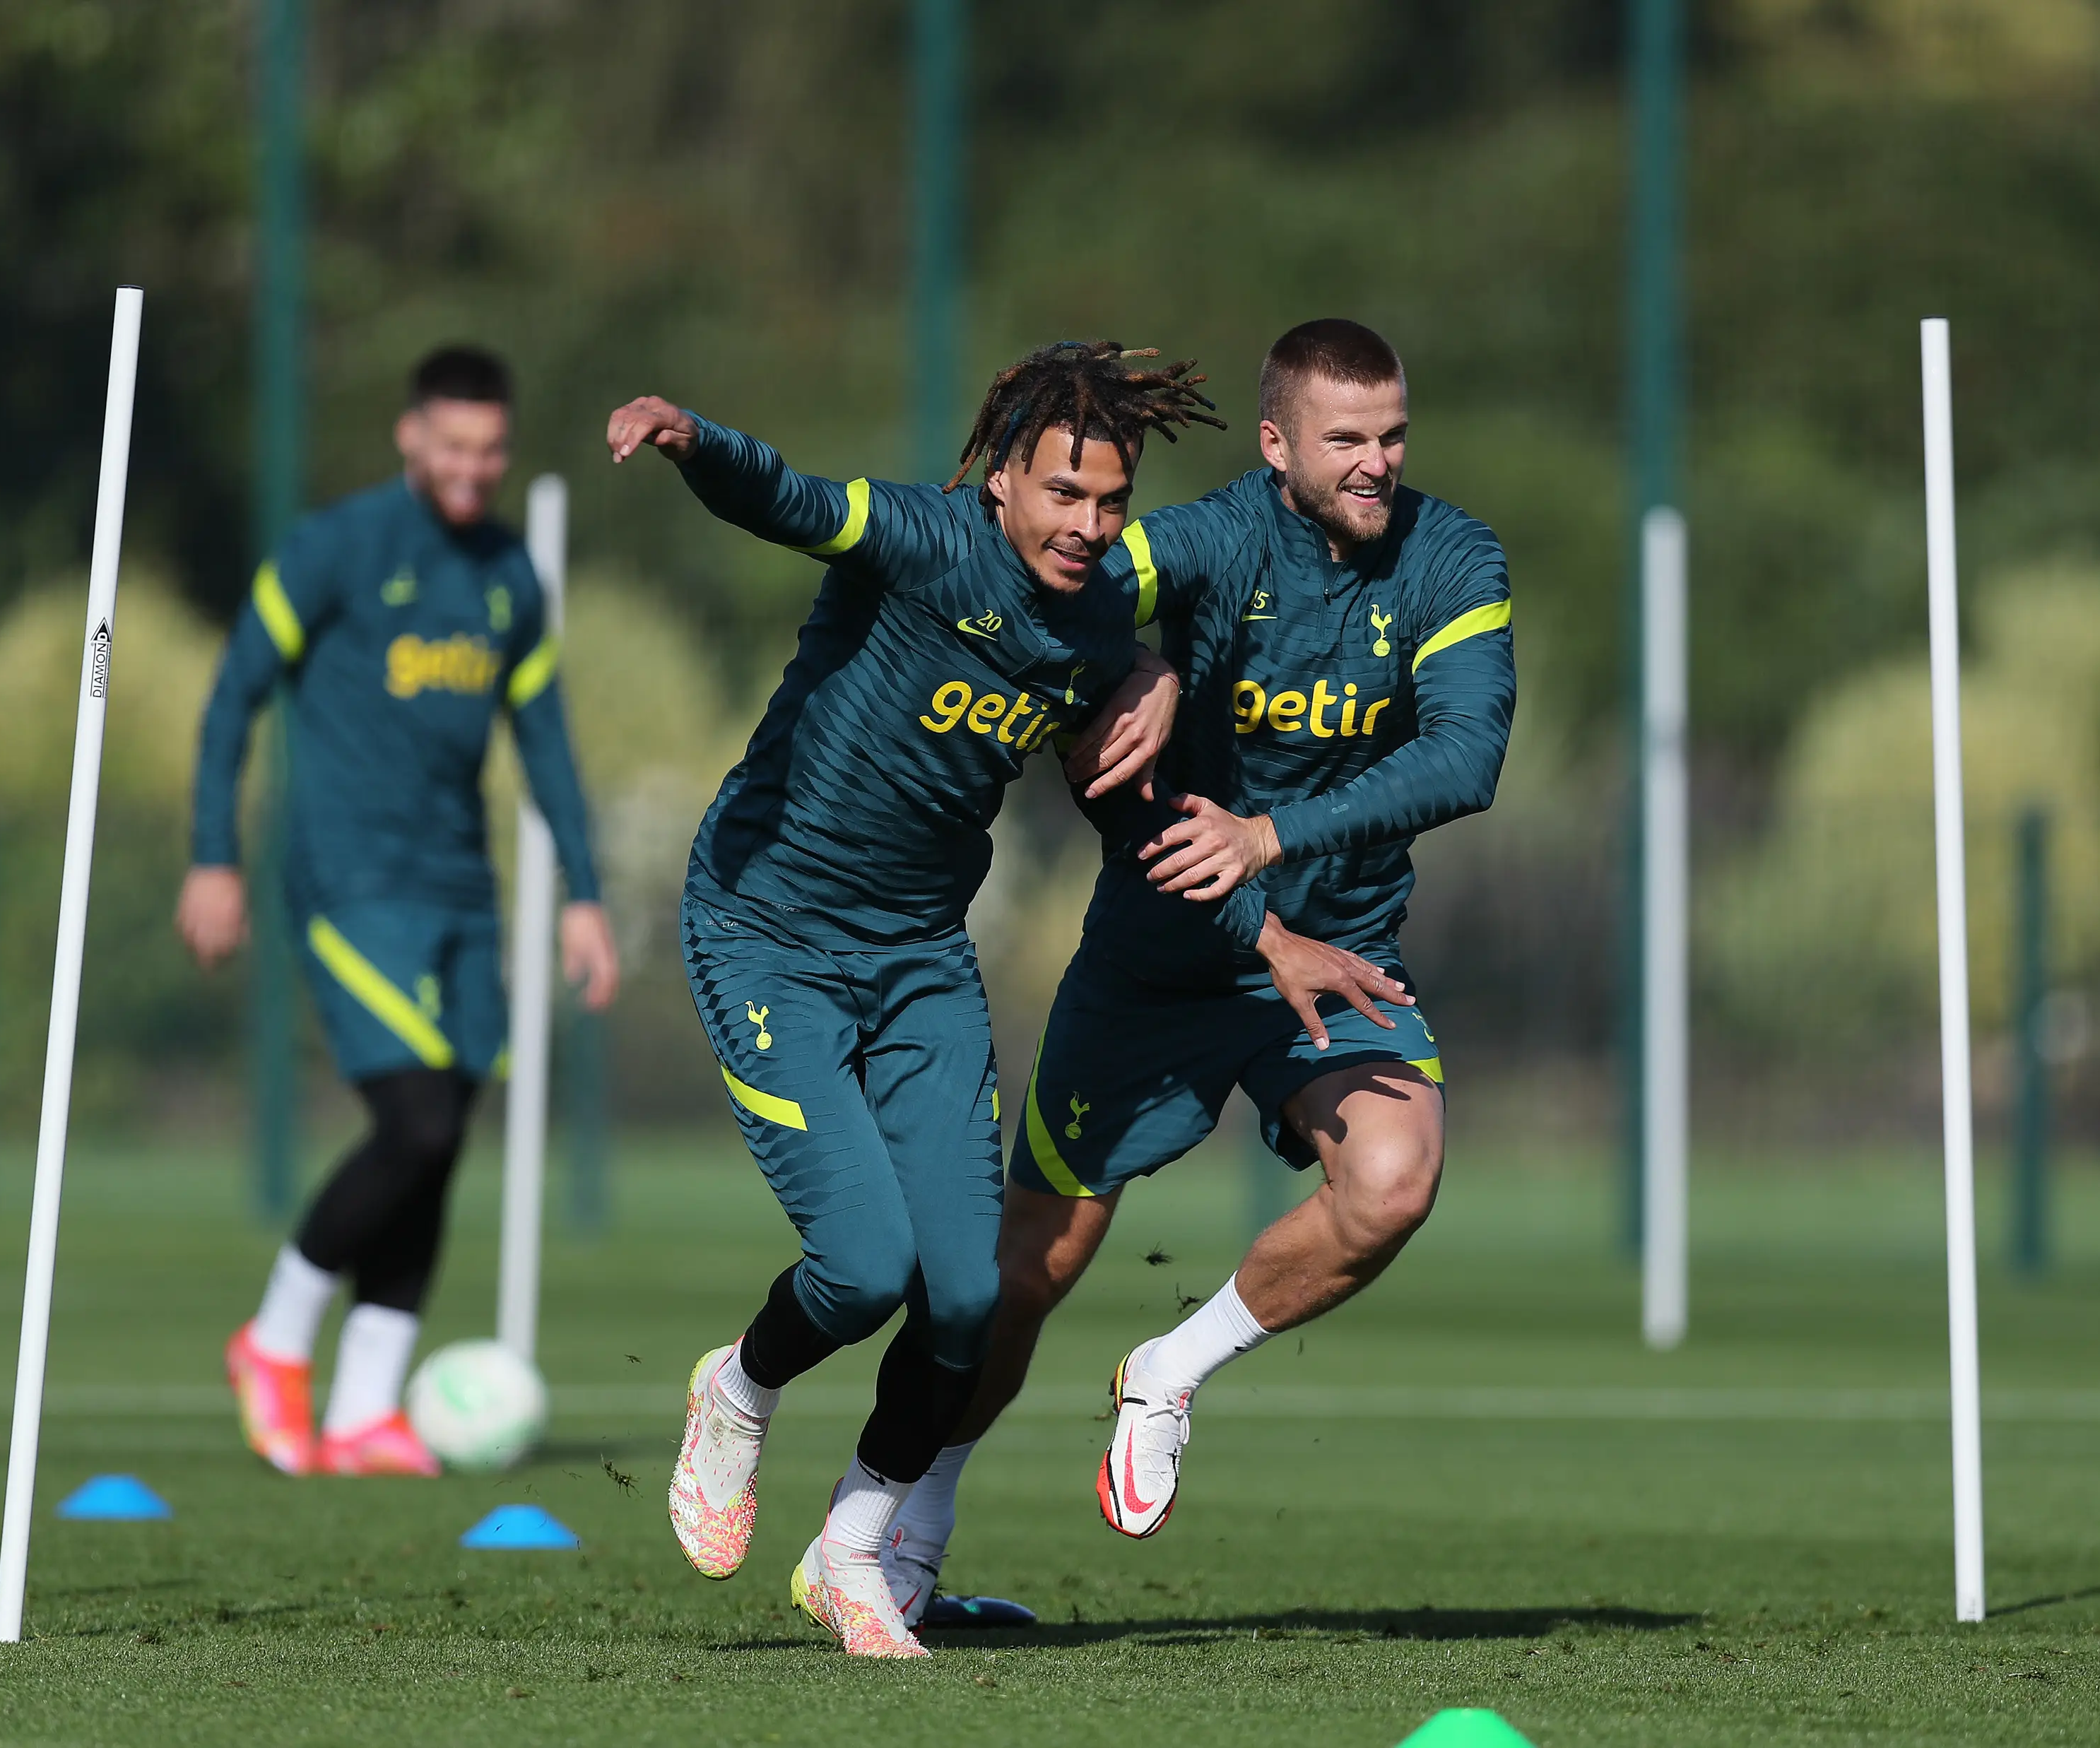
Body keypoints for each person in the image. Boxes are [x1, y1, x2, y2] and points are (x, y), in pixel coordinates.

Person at [879, 319, 1514, 1614]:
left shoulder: (1454, 558)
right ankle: (894, 1541)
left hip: (1337, 962)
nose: (1377, 461)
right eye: (1347, 438)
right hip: (1158, 963)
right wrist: (1145, 658)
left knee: (1394, 1182)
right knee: (1025, 1275)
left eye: (1392, 434)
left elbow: (1467, 759)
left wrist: (1270, 834)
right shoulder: (1215, 539)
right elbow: (1080, 594)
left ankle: (1172, 1366)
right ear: (1277, 445)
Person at [603, 340, 1218, 1658]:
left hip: (919, 961)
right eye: (1064, 493)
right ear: (1004, 482)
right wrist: (693, 437)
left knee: (964, 1299)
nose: (1088, 525)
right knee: (864, 1266)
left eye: (1110, 503)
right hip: (765, 930)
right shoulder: (924, 539)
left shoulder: (1101, 616)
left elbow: (1120, 752)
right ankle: (742, 1388)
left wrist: (1155, 679)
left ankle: (854, 1545)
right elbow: (790, 499)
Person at [191, 345, 619, 1480]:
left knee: (443, 1142)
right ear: (410, 436)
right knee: (416, 1119)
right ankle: (275, 1340)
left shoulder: (509, 578)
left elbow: (545, 741)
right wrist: (211, 860)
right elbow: (234, 696)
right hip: (349, 878)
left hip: (462, 891)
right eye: (453, 445)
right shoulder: (335, 550)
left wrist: (584, 894)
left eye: (492, 449)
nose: (473, 468)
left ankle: (368, 1406)